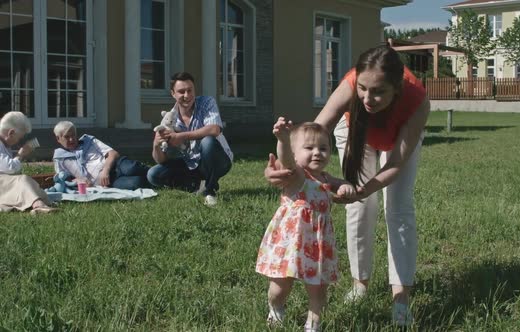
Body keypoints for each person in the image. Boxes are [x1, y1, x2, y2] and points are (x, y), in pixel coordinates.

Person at [265, 45, 430, 326]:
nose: (368, 98)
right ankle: (360, 284)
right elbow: (314, 133)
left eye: (378, 92)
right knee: (361, 208)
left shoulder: (416, 100)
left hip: (397, 140)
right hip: (356, 131)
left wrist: (364, 189)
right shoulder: (352, 83)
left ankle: (401, 298)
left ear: (396, 89)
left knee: (398, 208)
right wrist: (282, 169)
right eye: (363, 89)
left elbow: (395, 166)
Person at [256, 119, 355, 331]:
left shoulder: (327, 177)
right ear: (295, 153)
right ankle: (276, 307)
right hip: (290, 242)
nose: (317, 152)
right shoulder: (298, 175)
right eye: (309, 148)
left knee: (318, 288)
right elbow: (286, 161)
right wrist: (282, 139)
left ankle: (314, 324)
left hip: (317, 245)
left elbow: (342, 184)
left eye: (323, 148)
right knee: (280, 286)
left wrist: (346, 187)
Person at [147, 71, 233, 206]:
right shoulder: (169, 119)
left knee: (208, 141)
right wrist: (156, 145)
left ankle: (210, 192)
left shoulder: (206, 102)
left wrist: (181, 136)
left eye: (190, 90)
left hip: (219, 160)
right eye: (181, 92)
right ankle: (197, 186)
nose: (187, 95)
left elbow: (214, 129)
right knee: (153, 174)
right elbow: (161, 159)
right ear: (173, 93)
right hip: (191, 165)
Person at [53, 121, 150, 190]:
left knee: (131, 168)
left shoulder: (88, 141)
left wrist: (106, 170)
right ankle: (157, 180)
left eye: (73, 135)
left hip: (115, 165)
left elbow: (113, 153)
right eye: (67, 137)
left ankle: (156, 172)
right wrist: (77, 180)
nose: (71, 139)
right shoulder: (60, 157)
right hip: (108, 182)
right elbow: (62, 178)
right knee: (135, 183)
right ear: (58, 138)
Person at [0, 111, 57, 214]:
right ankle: (37, 205)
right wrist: (21, 154)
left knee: (28, 181)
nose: (18, 141)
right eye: (19, 138)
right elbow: (10, 168)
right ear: (11, 133)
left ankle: (37, 203)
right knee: (22, 180)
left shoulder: (4, 145)